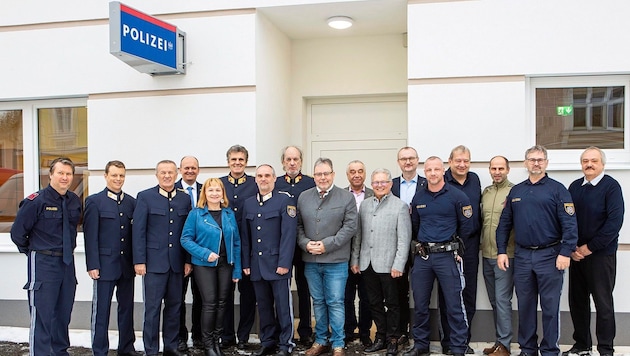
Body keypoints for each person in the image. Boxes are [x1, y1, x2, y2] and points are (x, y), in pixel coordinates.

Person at [496, 145, 578, 356]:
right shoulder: (516, 191)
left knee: (550, 308)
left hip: (550, 256)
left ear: (546, 163)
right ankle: (528, 349)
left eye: (540, 160)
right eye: (532, 159)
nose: (536, 163)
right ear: (525, 163)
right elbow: (504, 224)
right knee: (525, 306)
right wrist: (502, 251)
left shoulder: (558, 189)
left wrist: (565, 252)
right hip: (523, 256)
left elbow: (570, 224)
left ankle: (550, 350)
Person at [11, 157, 82, 356]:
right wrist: (33, 251)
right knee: (42, 315)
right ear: (50, 174)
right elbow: (18, 234)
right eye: (60, 173)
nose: (65, 177)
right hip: (43, 262)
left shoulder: (74, 201)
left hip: (67, 263)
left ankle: (59, 352)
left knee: (63, 314)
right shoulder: (37, 201)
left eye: (68, 174)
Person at [403, 156, 473, 356]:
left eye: (436, 169)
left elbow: (467, 227)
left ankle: (458, 347)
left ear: (443, 170)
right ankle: (420, 345)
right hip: (424, 257)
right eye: (429, 170)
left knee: (454, 304)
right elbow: (415, 226)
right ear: (425, 172)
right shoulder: (419, 197)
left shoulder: (457, 196)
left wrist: (458, 250)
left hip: (448, 256)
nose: (432, 173)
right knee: (420, 304)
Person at [564, 147, 625, 356]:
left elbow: (614, 224)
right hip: (576, 255)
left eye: (594, 161)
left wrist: (589, 248)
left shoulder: (611, 187)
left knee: (603, 303)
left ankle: (606, 348)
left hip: (600, 255)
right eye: (585, 161)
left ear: (602, 164)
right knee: (577, 302)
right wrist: (572, 247)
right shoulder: (574, 187)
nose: (589, 164)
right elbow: (566, 219)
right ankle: (582, 345)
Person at [298, 158, 357, 356]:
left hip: (336, 261)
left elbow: (349, 227)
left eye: (326, 173)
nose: (322, 177)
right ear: (314, 176)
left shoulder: (345, 197)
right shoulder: (304, 197)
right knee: (318, 302)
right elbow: (297, 226)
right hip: (311, 261)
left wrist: (326, 245)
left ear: (333, 174)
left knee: (335, 302)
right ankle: (321, 340)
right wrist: (305, 243)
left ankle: (338, 343)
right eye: (318, 174)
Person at [133, 160, 193, 356]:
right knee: (152, 309)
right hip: (153, 264)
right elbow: (138, 231)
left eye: (170, 172)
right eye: (163, 172)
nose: (167, 176)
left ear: (177, 175)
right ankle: (151, 349)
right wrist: (139, 260)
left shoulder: (184, 199)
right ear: (157, 175)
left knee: (174, 307)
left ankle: (171, 346)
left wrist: (187, 260)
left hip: (176, 264)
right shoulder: (145, 197)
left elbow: (187, 232)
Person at [83, 160, 141, 356]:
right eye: (114, 175)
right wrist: (92, 264)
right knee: (101, 311)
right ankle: (100, 350)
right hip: (104, 266)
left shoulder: (131, 202)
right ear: (106, 176)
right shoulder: (94, 201)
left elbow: (135, 235)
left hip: (126, 266)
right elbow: (90, 236)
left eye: (121, 175)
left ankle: (126, 347)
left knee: (126, 309)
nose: (118, 179)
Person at [350, 168, 411, 356]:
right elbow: (359, 235)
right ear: (372, 183)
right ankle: (381, 337)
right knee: (374, 303)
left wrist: (399, 264)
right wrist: (355, 259)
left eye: (383, 182)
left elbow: (404, 239)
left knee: (392, 304)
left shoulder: (399, 206)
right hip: (368, 264)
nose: (379, 185)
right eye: (376, 182)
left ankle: (393, 338)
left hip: (389, 265)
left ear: (390, 184)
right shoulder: (365, 205)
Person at [180, 178, 242, 356]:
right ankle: (208, 345)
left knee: (223, 303)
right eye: (210, 190)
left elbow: (236, 242)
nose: (214, 193)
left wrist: (237, 268)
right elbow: (185, 239)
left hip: (226, 264)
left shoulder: (229, 214)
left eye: (218, 190)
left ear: (222, 193)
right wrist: (205, 253)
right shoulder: (197, 214)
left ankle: (216, 341)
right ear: (204, 193)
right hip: (204, 265)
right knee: (210, 303)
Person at [241, 164, 297, 356]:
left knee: (283, 307)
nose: (263, 179)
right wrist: (246, 264)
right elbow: (246, 237)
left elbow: (288, 236)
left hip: (277, 265)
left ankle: (285, 344)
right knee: (263, 307)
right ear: (255, 179)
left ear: (274, 178)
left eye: (267, 175)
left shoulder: (285, 201)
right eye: (259, 176)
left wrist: (284, 263)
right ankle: (267, 341)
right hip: (256, 265)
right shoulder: (248, 203)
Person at [441, 145, 481, 354]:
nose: (462, 164)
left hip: (471, 246)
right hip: (447, 247)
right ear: (450, 161)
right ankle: (448, 342)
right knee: (448, 295)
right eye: (458, 160)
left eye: (466, 161)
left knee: (468, 293)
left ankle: (463, 340)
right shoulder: (442, 180)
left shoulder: (475, 180)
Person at [274, 145, 316, 346]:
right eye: (288, 159)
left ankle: (306, 330)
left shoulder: (310, 183)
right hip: (280, 245)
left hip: (303, 245)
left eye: (296, 159)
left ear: (301, 161)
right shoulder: (275, 183)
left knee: (304, 288)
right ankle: (281, 331)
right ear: (283, 162)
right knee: (278, 288)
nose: (292, 163)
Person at [219, 144, 258, 349]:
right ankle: (226, 337)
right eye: (233, 159)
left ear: (246, 161)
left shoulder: (254, 183)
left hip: (249, 245)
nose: (237, 163)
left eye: (241, 159)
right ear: (228, 162)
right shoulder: (219, 184)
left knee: (248, 294)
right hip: (225, 247)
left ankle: (243, 336)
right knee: (225, 293)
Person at [391, 146, 426, 348]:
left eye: (411, 158)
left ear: (417, 160)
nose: (407, 162)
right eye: (403, 159)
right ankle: (401, 333)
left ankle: (421, 336)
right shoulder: (392, 184)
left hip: (421, 244)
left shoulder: (426, 184)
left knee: (421, 292)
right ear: (398, 162)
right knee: (399, 291)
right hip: (397, 246)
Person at [480, 156, 515, 356]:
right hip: (487, 255)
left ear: (508, 170)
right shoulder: (486, 192)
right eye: (494, 168)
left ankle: (505, 345)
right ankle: (498, 341)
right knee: (494, 300)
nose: (497, 171)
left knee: (502, 300)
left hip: (506, 255)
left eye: (501, 168)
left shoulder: (514, 191)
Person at [343, 160, 373, 347]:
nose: (356, 175)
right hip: (344, 254)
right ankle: (347, 330)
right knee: (345, 296)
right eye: (352, 171)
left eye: (360, 171)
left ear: (364, 173)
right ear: (347, 175)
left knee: (366, 297)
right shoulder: (339, 196)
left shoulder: (373, 194)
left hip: (366, 255)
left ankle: (364, 332)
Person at [176, 155, 204, 351]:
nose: (190, 171)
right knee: (178, 298)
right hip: (178, 256)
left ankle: (199, 335)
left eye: (193, 168)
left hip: (202, 255)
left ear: (198, 170)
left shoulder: (206, 190)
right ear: (180, 170)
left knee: (201, 298)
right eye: (186, 168)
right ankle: (180, 337)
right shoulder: (171, 189)